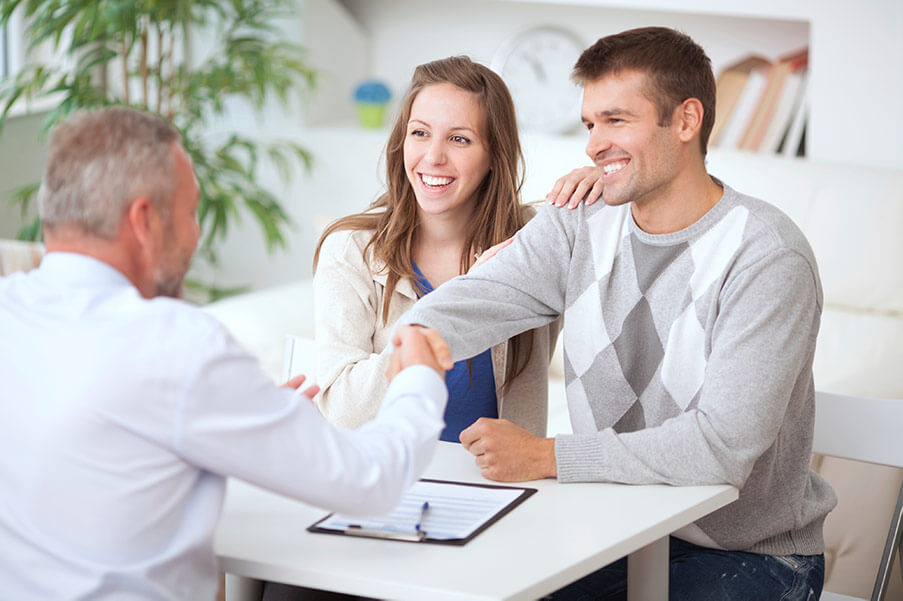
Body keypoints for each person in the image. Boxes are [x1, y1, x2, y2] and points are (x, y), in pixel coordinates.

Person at [396, 27, 836, 600]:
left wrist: (546, 456)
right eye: (589, 124)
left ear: (685, 121)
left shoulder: (765, 256)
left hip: (749, 555)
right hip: (614, 528)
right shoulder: (579, 221)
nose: (593, 144)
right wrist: (419, 333)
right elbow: (483, 297)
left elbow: (720, 448)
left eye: (616, 120)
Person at [0, 106, 454, 600]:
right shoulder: (174, 345)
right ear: (145, 221)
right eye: (191, 212)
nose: (196, 236)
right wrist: (419, 377)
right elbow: (372, 482)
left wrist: (244, 419)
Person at [311, 55, 593, 441]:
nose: (433, 157)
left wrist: (604, 181)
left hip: (504, 488)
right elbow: (344, 409)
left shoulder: (532, 241)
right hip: (387, 482)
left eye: (460, 139)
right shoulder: (351, 249)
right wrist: (463, 304)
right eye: (420, 133)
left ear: (494, 154)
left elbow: (633, 230)